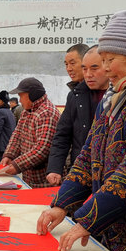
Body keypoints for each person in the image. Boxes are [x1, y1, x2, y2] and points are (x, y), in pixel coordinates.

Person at [36, 10, 126, 251]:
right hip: (118, 237)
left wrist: (88, 219)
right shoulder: (116, 97)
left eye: (111, 59)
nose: (106, 68)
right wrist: (62, 205)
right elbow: (88, 156)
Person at [46, 45, 109, 186]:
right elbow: (62, 134)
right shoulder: (75, 95)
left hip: (110, 175)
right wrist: (55, 168)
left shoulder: (120, 96)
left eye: (94, 68)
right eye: (84, 69)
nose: (88, 74)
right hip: (81, 171)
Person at [0, 78, 60, 188]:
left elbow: (42, 148)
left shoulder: (47, 113)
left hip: (44, 181)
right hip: (29, 178)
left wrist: (17, 165)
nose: (20, 100)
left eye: (21, 96)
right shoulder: (26, 111)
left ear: (32, 95)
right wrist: (9, 155)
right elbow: (17, 135)